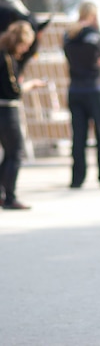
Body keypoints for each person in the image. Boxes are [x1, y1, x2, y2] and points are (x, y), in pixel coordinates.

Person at [63, 1, 100, 189]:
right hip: (96, 88)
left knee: (78, 137)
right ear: (93, 15)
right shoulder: (95, 34)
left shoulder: (68, 34)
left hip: (76, 89)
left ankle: (77, 178)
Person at [0, 20, 46, 209]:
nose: (26, 49)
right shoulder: (7, 59)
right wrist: (29, 85)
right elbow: (14, 90)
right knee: (15, 152)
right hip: (6, 109)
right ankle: (9, 196)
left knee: (8, 154)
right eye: (25, 45)